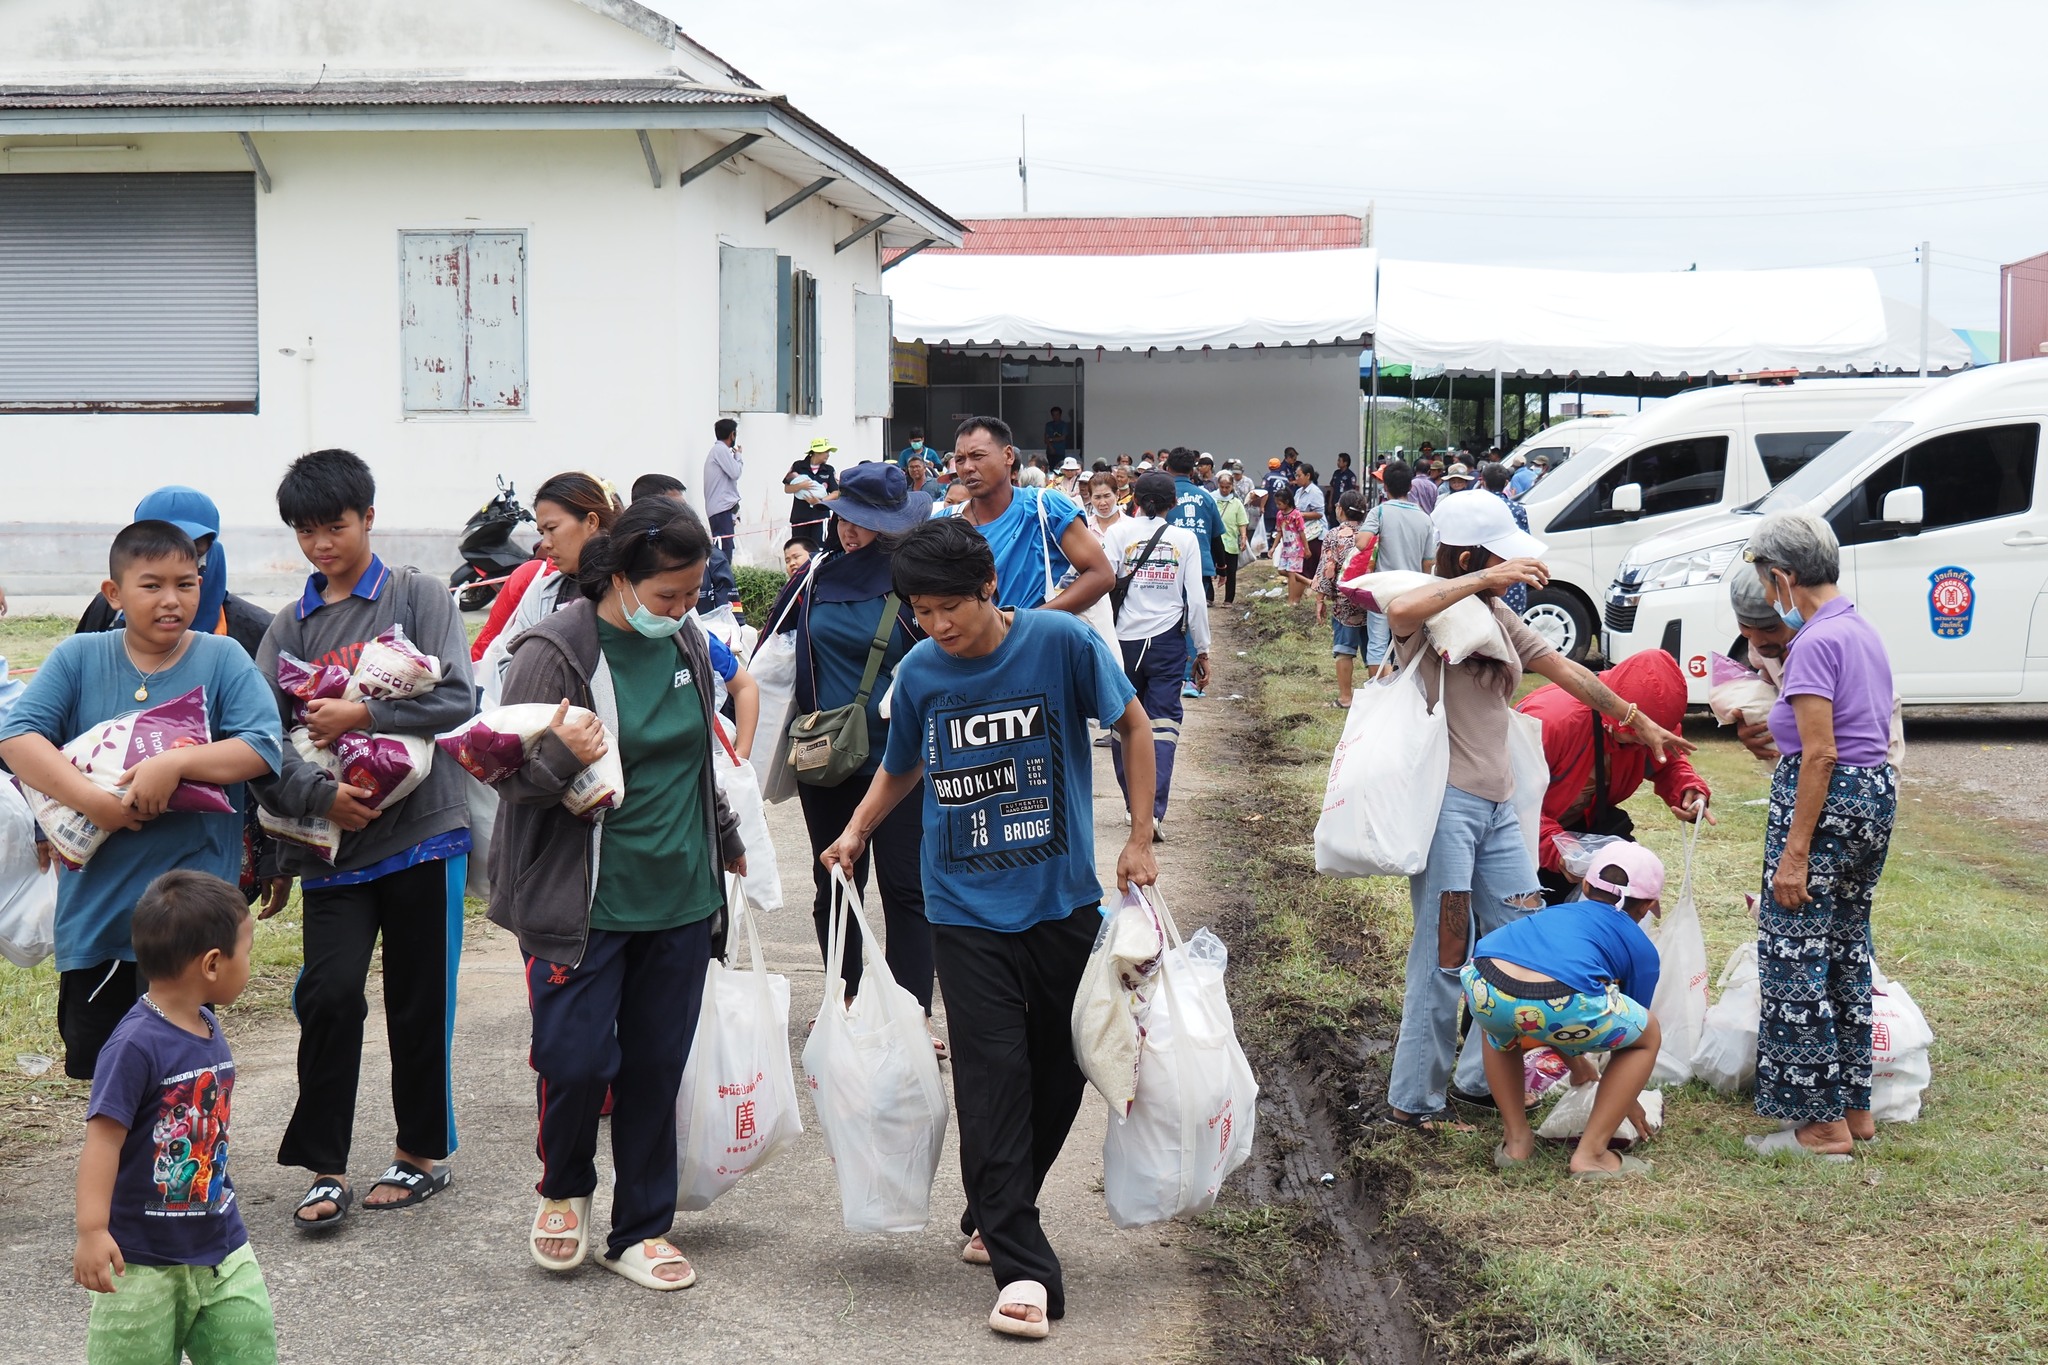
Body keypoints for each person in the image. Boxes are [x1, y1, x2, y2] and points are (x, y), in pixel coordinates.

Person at [821, 517, 1156, 1341]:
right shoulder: (921, 671)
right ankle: (1023, 1267)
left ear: (989, 589)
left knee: (1064, 1066)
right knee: (991, 1079)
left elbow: (1134, 726)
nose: (938, 625)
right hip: (963, 909)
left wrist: (1140, 836)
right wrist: (857, 830)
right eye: (922, 611)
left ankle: (995, 1205)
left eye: (951, 608)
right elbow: (903, 762)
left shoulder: (1060, 643)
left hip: (1062, 900)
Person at [489, 497, 746, 1288]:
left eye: (692, 594)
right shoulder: (555, 650)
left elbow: (695, 758)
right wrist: (562, 753)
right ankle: (564, 1186)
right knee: (574, 1059)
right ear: (622, 577)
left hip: (680, 893)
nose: (681, 610)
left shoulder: (687, 641)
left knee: (656, 1066)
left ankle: (639, 1227)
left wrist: (726, 836)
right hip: (584, 901)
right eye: (667, 594)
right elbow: (505, 773)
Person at [1378, 491, 1689, 1132]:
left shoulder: (1494, 616)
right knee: (1445, 953)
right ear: (1469, 557)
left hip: (1498, 811)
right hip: (1449, 809)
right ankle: (1415, 1099)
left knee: (1522, 941)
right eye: (1502, 559)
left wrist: (1635, 719)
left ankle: (1479, 1079)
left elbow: (1567, 670)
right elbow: (1400, 610)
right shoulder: (1429, 610)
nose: (1515, 572)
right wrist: (1482, 580)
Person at [250, 449, 477, 1229]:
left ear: (368, 517)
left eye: (335, 526)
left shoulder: (417, 595)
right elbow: (263, 736)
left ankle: (420, 1153)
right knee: (328, 993)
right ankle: (326, 1165)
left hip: (423, 834)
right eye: (306, 531)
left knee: (420, 998)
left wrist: (364, 714)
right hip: (336, 848)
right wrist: (321, 798)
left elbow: (458, 698)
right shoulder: (290, 627)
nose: (321, 545)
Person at [0, 524, 281, 1082]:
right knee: (108, 1076)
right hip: (99, 915)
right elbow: (17, 738)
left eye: (186, 583)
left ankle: (186, 1146)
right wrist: (92, 802)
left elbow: (261, 746)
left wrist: (174, 764)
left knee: (182, 1075)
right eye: (152, 585)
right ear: (114, 593)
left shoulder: (222, 658)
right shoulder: (79, 656)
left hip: (191, 918)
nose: (171, 600)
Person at [1741, 511, 1896, 1161]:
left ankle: (1820, 1126)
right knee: (1845, 951)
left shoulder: (1814, 641)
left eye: (1765, 582)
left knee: (1794, 958)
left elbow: (1821, 753)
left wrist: (1796, 852)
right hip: (1874, 799)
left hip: (1826, 809)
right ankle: (1854, 1109)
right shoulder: (1860, 628)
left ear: (1782, 578)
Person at [73, 871, 278, 1362]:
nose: (249, 964)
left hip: (221, 1245)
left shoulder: (205, 1022)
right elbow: (103, 1140)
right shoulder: (133, 1045)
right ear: (212, 963)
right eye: (246, 952)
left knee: (250, 1351)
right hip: (143, 1263)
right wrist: (92, 1231)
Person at [763, 465, 937, 1037]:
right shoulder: (814, 577)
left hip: (903, 760)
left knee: (907, 888)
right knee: (837, 883)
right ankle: (845, 997)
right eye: (842, 517)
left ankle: (912, 1014)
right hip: (827, 759)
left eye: (862, 521)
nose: (848, 530)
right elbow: (772, 650)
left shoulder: (916, 581)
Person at [1466, 843, 1664, 1179]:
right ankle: (1592, 1155)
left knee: (1502, 1025)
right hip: (1558, 998)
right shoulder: (1641, 948)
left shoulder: (1555, 913)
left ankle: (1517, 1142)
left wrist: (1578, 1066)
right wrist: (1625, 1099)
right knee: (1648, 1035)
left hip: (1484, 981)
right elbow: (1625, 1039)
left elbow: (1534, 1006)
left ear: (1585, 886)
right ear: (1647, 906)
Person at [1518, 650, 1712, 904]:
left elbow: (1666, 763)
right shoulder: (1550, 721)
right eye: (1635, 736)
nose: (1642, 745)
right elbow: (1510, 806)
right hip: (1523, 838)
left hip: (1582, 830)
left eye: (1649, 739)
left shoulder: (1650, 727)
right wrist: (1555, 848)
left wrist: (1687, 788)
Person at [1104, 473, 1211, 833]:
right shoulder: (1185, 539)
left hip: (1123, 642)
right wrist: (1203, 650)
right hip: (1167, 644)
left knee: (1123, 723)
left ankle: (1133, 806)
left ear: (1134, 499)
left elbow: (1102, 583)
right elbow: (1196, 601)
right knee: (1163, 726)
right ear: (1173, 504)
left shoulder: (1118, 533)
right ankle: (1151, 813)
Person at [1727, 567, 1904, 767]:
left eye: (1770, 628)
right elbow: (1772, 686)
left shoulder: (1821, 644)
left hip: (1862, 762)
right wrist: (1753, 724)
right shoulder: (1762, 644)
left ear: (1791, 610)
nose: (1758, 640)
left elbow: (1821, 753)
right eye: (1746, 627)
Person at [942, 416, 1113, 614]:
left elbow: (1102, 575)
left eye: (977, 456)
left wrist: (1026, 622)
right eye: (960, 460)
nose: (967, 467)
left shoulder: (1046, 507)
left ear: (1008, 456)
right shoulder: (945, 523)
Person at [479, 473, 624, 706]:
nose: (545, 543)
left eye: (552, 528)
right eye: (541, 533)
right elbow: (508, 666)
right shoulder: (542, 593)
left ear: (591, 522)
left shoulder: (629, 588)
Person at [1357, 462, 1437, 670]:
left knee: (1377, 644)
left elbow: (1361, 543)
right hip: (1411, 591)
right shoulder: (1425, 519)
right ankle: (1402, 684)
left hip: (1382, 588)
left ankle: (1378, 687)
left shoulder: (1379, 512)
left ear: (1385, 486)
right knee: (1406, 644)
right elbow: (1428, 561)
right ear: (1410, 486)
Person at [1313, 492, 1368, 707]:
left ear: (1341, 510)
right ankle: (1377, 698)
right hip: (1372, 600)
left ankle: (1346, 698)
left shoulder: (1335, 535)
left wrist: (1320, 599)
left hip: (1345, 601)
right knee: (1375, 650)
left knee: (1344, 649)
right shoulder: (1371, 533)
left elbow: (1328, 568)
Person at [1478, 463, 1530, 615]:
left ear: (1483, 482)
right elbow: (1525, 543)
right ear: (1506, 483)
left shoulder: (1478, 508)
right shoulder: (1518, 510)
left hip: (1483, 575)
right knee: (1511, 624)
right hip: (1512, 574)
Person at [702, 417, 743, 558]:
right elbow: (735, 473)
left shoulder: (719, 451)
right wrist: (738, 456)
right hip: (721, 509)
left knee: (726, 547)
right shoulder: (720, 450)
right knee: (723, 551)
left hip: (721, 508)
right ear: (732, 434)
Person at [784, 438, 839, 543]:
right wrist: (801, 485)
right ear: (816, 452)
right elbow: (787, 489)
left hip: (821, 518)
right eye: (826, 451)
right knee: (800, 547)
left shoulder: (829, 470)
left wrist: (820, 502)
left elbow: (836, 493)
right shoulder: (798, 466)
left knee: (819, 548)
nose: (828, 455)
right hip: (800, 518)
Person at [1215, 470, 1251, 605]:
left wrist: (1243, 537)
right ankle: (1209, 597)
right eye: (1222, 487)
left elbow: (1242, 522)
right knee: (1211, 570)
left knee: (1231, 571)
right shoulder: (1213, 500)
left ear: (1232, 486)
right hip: (1215, 541)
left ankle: (1228, 599)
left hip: (1230, 542)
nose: (1224, 490)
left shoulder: (1236, 503)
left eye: (1227, 487)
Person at [1292, 463, 1327, 586]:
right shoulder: (1298, 492)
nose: (1297, 478)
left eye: (1299, 476)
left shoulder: (1314, 492)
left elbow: (1319, 513)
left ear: (1308, 476)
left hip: (1315, 533)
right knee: (1303, 566)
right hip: (1303, 532)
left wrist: (1300, 515)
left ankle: (1314, 587)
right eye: (1296, 475)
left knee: (1312, 565)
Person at [1273, 488, 1308, 601]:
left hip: (1296, 548)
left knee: (1291, 573)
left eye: (1279, 504)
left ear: (1287, 502)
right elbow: (1279, 532)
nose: (1277, 506)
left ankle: (1291, 600)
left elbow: (1302, 532)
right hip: (1286, 548)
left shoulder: (1296, 515)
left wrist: (1306, 548)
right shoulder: (1280, 515)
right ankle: (1307, 581)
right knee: (1281, 570)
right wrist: (1273, 547)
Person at [1261, 458, 1289, 542]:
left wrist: (1262, 506)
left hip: (1269, 509)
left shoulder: (1268, 477)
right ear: (1279, 466)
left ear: (1269, 467)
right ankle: (1276, 546)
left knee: (1267, 530)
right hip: (1282, 510)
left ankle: (1268, 547)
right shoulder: (1285, 479)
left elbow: (1265, 493)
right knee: (1278, 530)